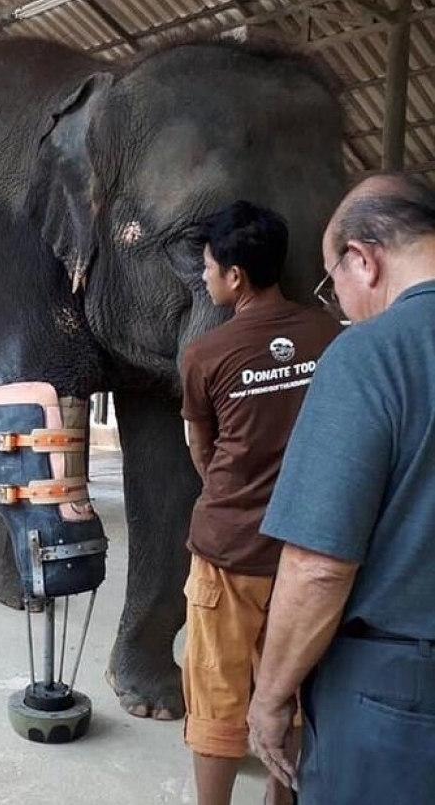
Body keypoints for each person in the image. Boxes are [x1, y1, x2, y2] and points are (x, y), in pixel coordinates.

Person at [248, 172, 435, 805]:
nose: (340, 305)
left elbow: (318, 566)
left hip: (397, 701)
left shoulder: (371, 355)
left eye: (333, 285)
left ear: (363, 259)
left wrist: (271, 698)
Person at [180, 200, 341, 805]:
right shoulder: (328, 335)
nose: (204, 277)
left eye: (207, 266)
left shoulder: (205, 354)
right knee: (292, 686)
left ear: (235, 275)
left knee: (216, 694)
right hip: (306, 548)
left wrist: (237, 493)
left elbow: (202, 452)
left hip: (228, 551)